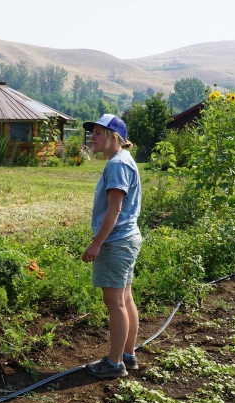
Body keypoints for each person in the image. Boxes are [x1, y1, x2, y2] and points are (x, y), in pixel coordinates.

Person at [81, 114, 142, 378]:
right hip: (125, 239)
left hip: (116, 242)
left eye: (97, 133)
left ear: (113, 137)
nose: (92, 138)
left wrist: (96, 243)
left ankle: (114, 364)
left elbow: (115, 209)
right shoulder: (123, 161)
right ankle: (127, 356)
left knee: (115, 302)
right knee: (125, 298)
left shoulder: (118, 165)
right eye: (92, 133)